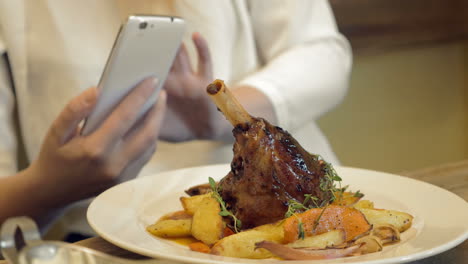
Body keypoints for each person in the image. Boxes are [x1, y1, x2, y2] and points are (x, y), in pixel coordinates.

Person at [0, 0, 351, 235]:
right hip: (105, 236)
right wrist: (45, 188)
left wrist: (217, 119)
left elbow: (322, 51)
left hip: (311, 216)